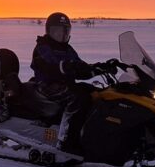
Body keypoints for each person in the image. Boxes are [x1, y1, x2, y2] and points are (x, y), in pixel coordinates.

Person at [31, 12, 108, 153]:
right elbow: (51, 67)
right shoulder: (43, 47)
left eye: (65, 31)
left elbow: (79, 66)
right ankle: (66, 140)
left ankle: (90, 135)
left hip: (65, 85)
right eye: (58, 32)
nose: (62, 35)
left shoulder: (67, 49)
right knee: (78, 98)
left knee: (94, 93)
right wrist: (67, 66)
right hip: (46, 86)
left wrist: (97, 69)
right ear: (49, 31)